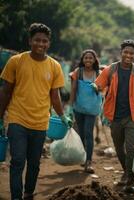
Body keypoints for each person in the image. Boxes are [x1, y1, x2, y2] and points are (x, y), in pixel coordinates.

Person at [0, 23, 72, 200]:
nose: (41, 44)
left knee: (34, 163)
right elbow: (5, 91)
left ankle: (28, 193)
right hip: (17, 119)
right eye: (37, 40)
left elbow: (55, 96)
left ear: (49, 43)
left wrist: (62, 116)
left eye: (45, 41)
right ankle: (16, 196)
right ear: (30, 41)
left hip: (41, 122)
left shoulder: (54, 66)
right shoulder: (16, 61)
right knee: (17, 160)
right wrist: (0, 117)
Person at [94, 39, 134, 194]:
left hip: (133, 116)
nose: (128, 55)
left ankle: (131, 180)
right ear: (121, 53)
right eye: (126, 52)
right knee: (119, 149)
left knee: (131, 148)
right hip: (114, 116)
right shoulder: (111, 69)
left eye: (131, 53)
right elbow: (98, 84)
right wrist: (94, 87)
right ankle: (126, 171)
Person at [68, 49, 101, 174]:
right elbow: (73, 89)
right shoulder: (78, 72)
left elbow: (103, 90)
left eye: (90, 58)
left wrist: (97, 87)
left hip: (92, 109)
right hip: (79, 108)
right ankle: (83, 157)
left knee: (88, 133)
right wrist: (69, 108)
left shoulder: (98, 73)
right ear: (82, 60)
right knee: (81, 133)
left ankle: (89, 161)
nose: (88, 60)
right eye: (86, 58)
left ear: (94, 60)